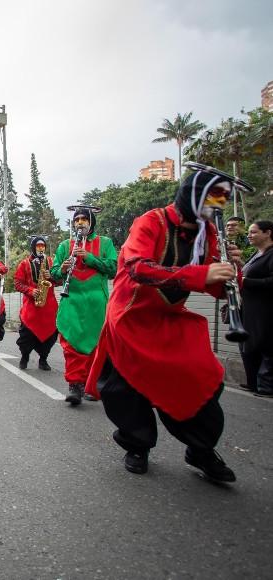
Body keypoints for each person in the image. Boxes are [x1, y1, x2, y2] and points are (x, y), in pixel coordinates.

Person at [85, 164, 249, 482]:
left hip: (169, 319)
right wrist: (202, 274)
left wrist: (230, 274)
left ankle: (200, 449)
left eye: (221, 201)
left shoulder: (208, 233)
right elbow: (138, 268)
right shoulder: (151, 221)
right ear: (195, 196)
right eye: (214, 198)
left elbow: (211, 285)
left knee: (202, 377)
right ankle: (137, 446)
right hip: (131, 318)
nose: (217, 207)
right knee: (128, 389)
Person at [49, 206, 117, 405]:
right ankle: (75, 386)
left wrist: (89, 258)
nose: (79, 222)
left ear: (91, 222)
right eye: (76, 219)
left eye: (83, 219)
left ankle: (91, 384)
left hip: (97, 304)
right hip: (72, 301)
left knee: (97, 345)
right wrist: (61, 269)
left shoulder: (105, 243)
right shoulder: (64, 245)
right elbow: (53, 275)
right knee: (71, 345)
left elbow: (113, 268)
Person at [14, 236, 58, 371]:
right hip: (31, 307)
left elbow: (60, 280)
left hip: (49, 307)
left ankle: (43, 359)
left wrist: (51, 276)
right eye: (38, 246)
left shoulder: (51, 261)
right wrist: (30, 290)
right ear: (33, 247)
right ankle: (25, 356)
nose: (41, 248)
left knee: (51, 336)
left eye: (43, 246)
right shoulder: (24, 264)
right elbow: (17, 283)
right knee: (26, 336)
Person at [240, 220, 273, 397]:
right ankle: (254, 382)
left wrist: (246, 282)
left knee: (266, 345)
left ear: (267, 233)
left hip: (266, 309)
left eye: (253, 232)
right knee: (249, 344)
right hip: (249, 308)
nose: (249, 235)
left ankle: (266, 386)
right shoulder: (256, 255)